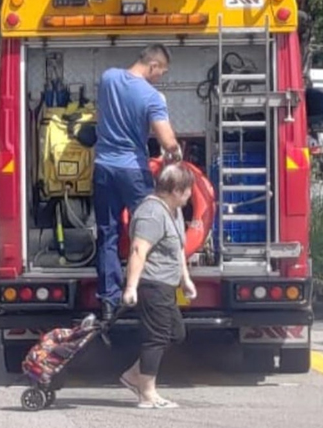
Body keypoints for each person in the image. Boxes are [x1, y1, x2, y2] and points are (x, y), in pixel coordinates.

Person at [93, 44, 182, 320]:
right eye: (161, 73)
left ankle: (109, 301)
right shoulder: (151, 96)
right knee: (145, 232)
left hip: (103, 167)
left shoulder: (108, 78)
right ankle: (147, 295)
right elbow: (167, 141)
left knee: (107, 234)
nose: (159, 78)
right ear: (153, 65)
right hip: (133, 171)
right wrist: (176, 153)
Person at [119, 163, 197, 409]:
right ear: (175, 190)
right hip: (152, 284)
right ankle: (147, 394)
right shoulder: (152, 213)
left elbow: (178, 249)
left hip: (168, 284)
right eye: (187, 190)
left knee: (176, 333)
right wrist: (131, 287)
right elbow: (138, 250)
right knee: (156, 337)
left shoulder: (173, 211)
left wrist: (185, 280)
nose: (189, 195)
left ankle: (133, 375)